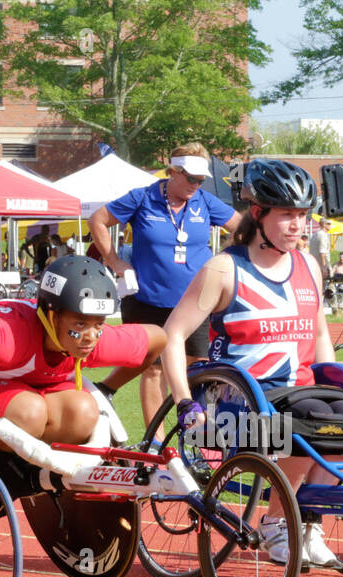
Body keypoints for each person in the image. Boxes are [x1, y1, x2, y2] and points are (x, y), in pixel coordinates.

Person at [161, 158, 343, 569]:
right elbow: (172, 336)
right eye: (286, 216)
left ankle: (308, 521)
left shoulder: (309, 266)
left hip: (297, 392)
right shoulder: (224, 268)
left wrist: (333, 385)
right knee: (309, 420)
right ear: (259, 214)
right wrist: (184, 402)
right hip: (240, 400)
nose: (297, 225)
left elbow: (319, 337)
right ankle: (278, 524)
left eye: (302, 215)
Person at [0, 255, 164, 459]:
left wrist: (108, 388)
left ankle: (40, 473)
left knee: (85, 412)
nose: (91, 336)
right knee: (29, 413)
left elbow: (157, 339)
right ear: (51, 316)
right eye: (80, 324)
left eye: (99, 323)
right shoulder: (4, 338)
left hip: (33, 384)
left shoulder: (96, 341)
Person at [89, 142, 240, 434]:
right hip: (147, 299)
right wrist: (115, 261)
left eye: (200, 180)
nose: (196, 185)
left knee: (198, 365)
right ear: (173, 171)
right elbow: (98, 220)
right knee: (153, 366)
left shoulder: (204, 202)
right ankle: (156, 444)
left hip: (194, 304)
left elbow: (242, 227)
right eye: (191, 178)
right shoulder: (142, 198)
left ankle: (197, 434)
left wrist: (227, 259)